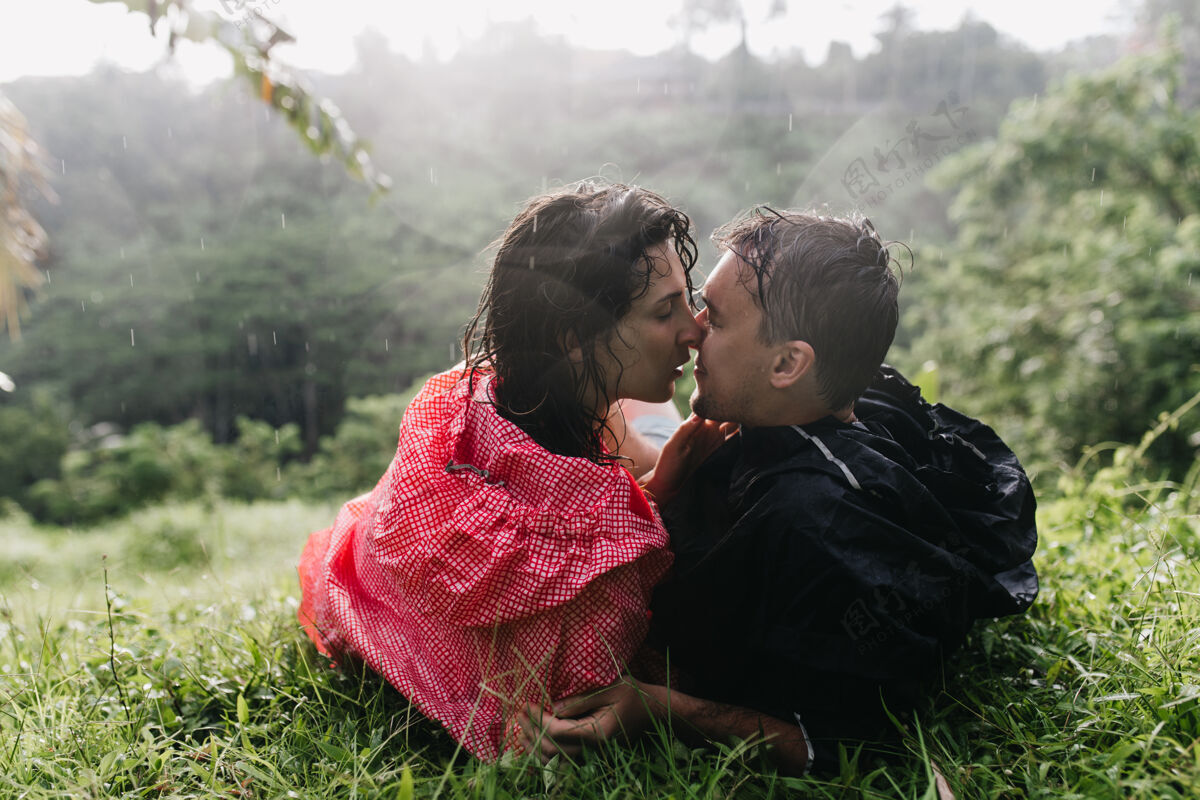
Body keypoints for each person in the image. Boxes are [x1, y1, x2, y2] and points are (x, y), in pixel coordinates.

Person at [519, 208, 1039, 774]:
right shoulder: (802, 402)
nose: (692, 332)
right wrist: (662, 489)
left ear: (788, 363)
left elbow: (850, 743)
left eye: (714, 320)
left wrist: (658, 708)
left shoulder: (820, 527)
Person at [297, 181, 725, 760]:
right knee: (649, 420)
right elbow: (575, 587)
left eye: (686, 299)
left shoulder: (478, 395)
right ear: (573, 339)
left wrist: (657, 485)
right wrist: (661, 492)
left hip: (365, 569)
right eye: (664, 310)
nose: (694, 330)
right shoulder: (583, 555)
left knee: (638, 417)